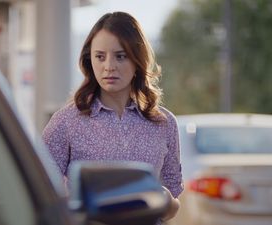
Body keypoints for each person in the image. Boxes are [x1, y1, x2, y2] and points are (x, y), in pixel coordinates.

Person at [42, 11, 183, 222]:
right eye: (100, 56)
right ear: (90, 61)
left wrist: (166, 201)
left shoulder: (164, 123)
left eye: (120, 56)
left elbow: (172, 201)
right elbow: (41, 190)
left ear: (137, 60)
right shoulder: (66, 122)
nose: (109, 66)